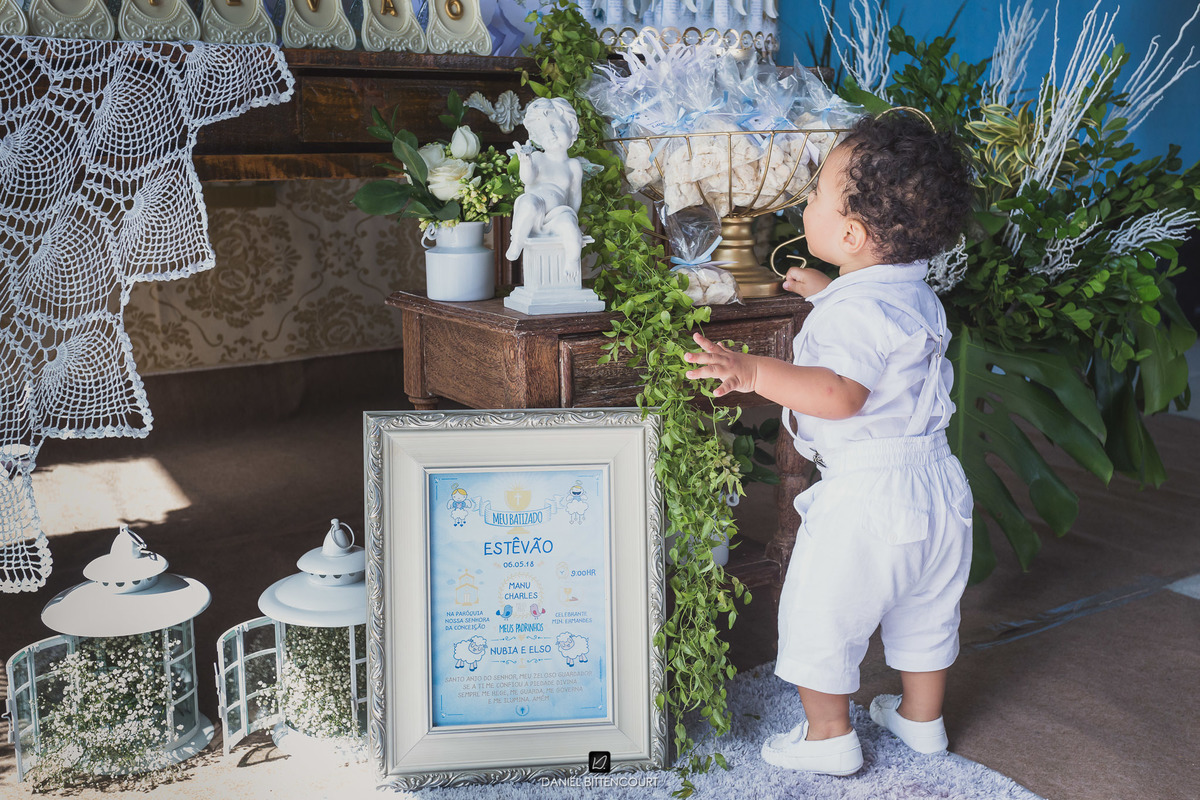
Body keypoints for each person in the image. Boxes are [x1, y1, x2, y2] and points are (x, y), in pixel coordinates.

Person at [683, 112, 975, 776]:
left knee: (822, 609)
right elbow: (882, 339)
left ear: (850, 235)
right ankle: (921, 720)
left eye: (815, 194)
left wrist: (752, 371)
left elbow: (842, 392)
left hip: (869, 494)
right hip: (936, 484)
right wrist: (828, 293)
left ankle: (828, 736)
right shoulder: (913, 293)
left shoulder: (856, 312)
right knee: (926, 610)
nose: (804, 203)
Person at [505, 96, 586, 280]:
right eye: (543, 131)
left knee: (570, 229)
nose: (551, 134)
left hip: (558, 213)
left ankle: (572, 259)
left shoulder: (573, 165)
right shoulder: (538, 158)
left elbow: (575, 195)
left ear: (571, 127)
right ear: (536, 138)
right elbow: (528, 179)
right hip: (536, 209)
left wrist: (572, 217)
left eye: (555, 126)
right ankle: (517, 242)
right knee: (528, 203)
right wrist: (525, 162)